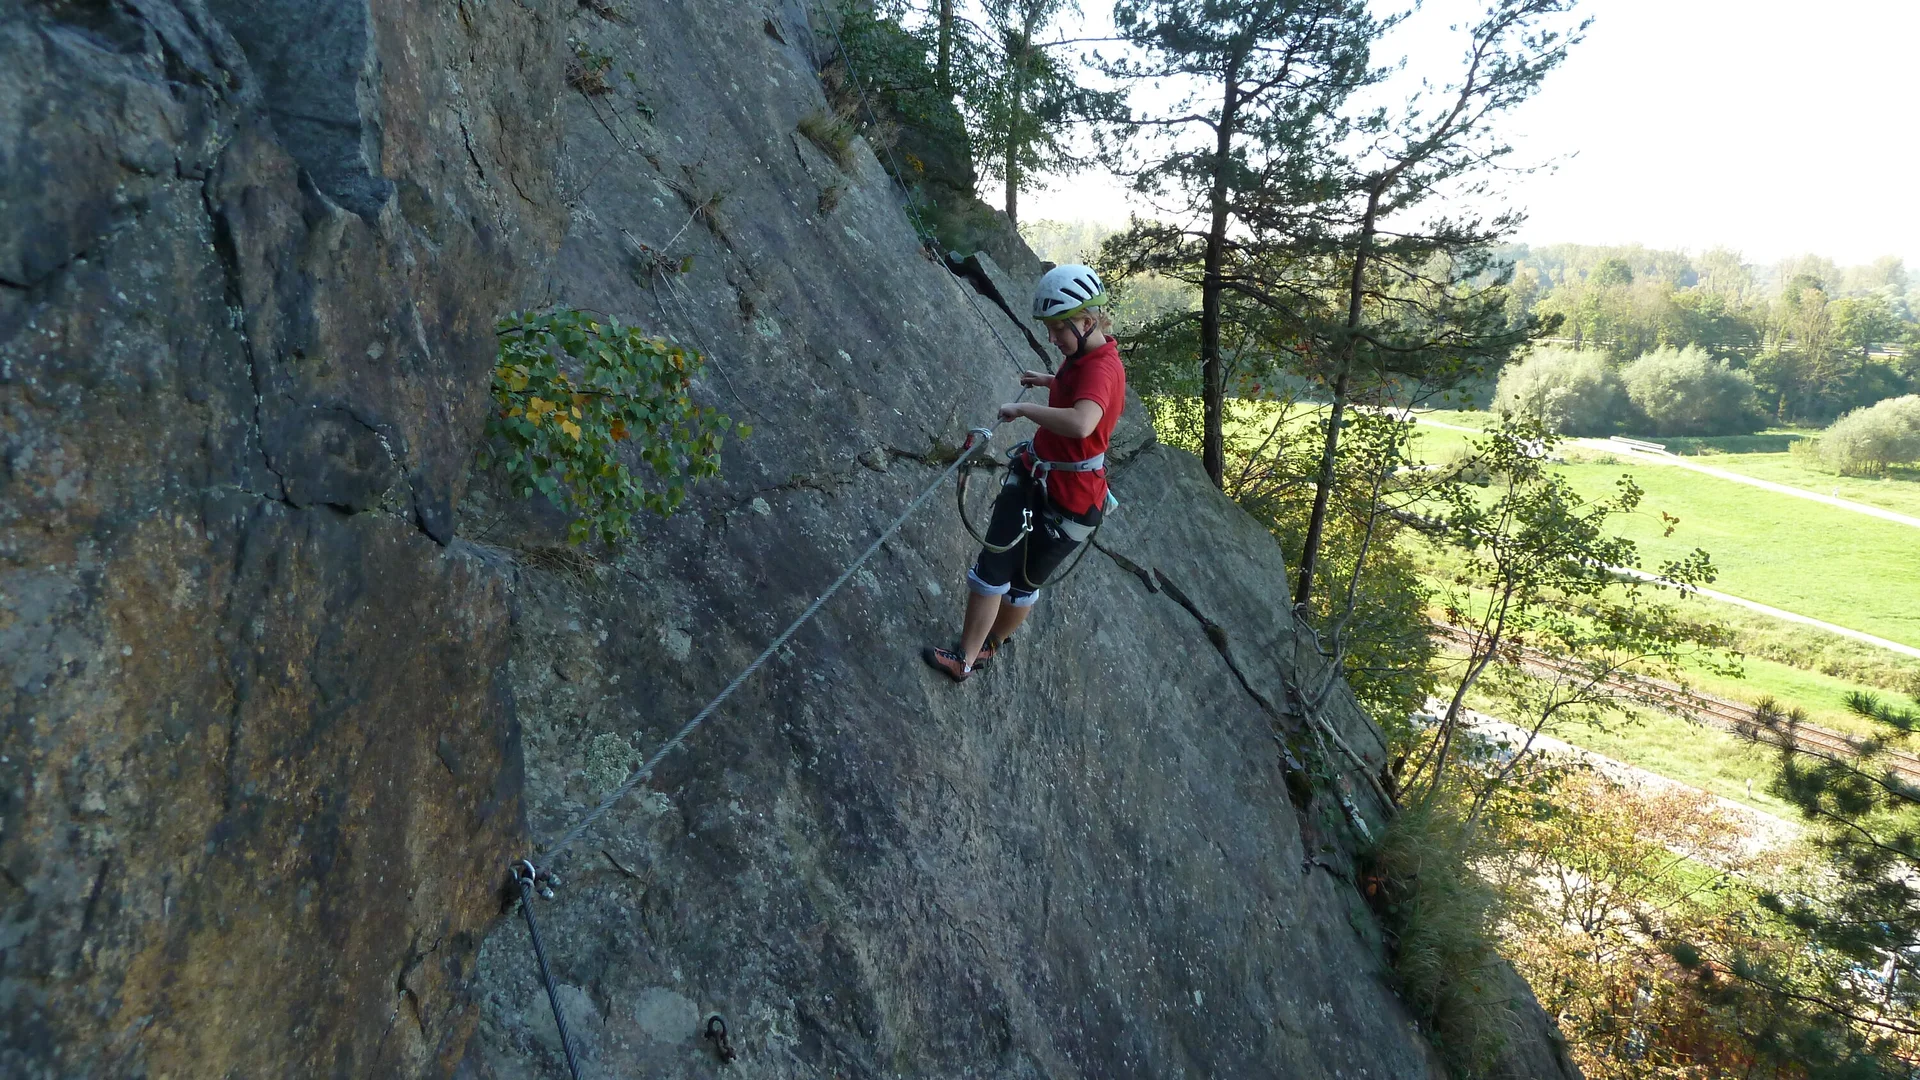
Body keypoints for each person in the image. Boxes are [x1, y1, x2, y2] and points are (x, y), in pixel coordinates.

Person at [923, 264, 1127, 682]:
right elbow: (1078, 391)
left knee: (1024, 581)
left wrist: (1023, 409)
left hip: (1066, 501)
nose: (1052, 339)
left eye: (1058, 329)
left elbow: (1083, 422)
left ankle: (984, 649)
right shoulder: (1088, 354)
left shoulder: (1100, 368)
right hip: (1045, 482)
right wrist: (1050, 381)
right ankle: (968, 654)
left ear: (1088, 321)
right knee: (997, 564)